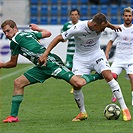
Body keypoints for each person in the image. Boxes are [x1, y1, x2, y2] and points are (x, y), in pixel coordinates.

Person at [0, 20, 103, 123]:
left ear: (15, 28)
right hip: (41, 66)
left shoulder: (14, 41)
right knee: (18, 83)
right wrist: (37, 28)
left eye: (8, 31)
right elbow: (47, 33)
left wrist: (1, 65)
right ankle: (13, 117)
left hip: (50, 63)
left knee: (78, 83)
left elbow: (12, 63)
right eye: (4, 32)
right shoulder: (29, 33)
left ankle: (99, 75)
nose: (7, 34)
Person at [38, 13, 131, 122]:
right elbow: (59, 38)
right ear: (95, 25)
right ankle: (82, 112)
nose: (102, 31)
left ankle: (125, 109)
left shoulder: (101, 24)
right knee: (76, 84)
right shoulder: (79, 28)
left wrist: (112, 26)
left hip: (96, 54)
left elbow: (105, 23)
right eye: (101, 28)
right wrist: (45, 54)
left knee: (108, 75)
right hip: (80, 59)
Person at [105, 7, 133, 105]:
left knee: (132, 76)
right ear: (123, 17)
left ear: (132, 17)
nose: (128, 18)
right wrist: (106, 53)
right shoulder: (118, 29)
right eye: (126, 16)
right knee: (111, 77)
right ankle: (115, 94)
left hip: (131, 59)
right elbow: (110, 42)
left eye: (129, 16)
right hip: (118, 59)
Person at [61, 9, 80, 93]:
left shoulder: (82, 24)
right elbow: (63, 38)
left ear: (78, 16)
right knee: (68, 69)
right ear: (70, 16)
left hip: (79, 52)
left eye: (76, 14)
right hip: (70, 51)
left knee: (77, 69)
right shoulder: (67, 25)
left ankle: (75, 85)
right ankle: (74, 84)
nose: (74, 16)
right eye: (72, 14)